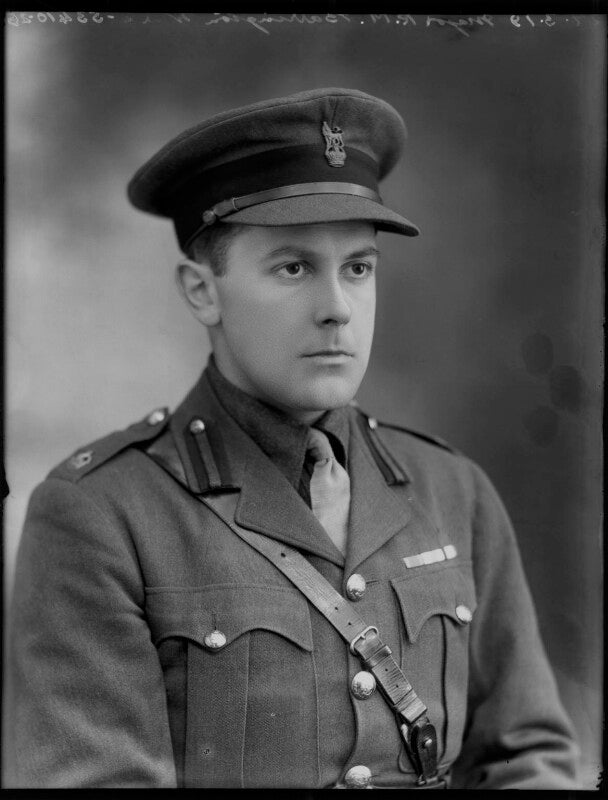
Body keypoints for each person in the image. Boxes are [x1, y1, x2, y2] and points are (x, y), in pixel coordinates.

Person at [6, 87, 579, 789]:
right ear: (202, 291)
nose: (337, 309)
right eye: (293, 268)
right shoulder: (101, 515)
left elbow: (527, 758)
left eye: (358, 268)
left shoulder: (454, 492)